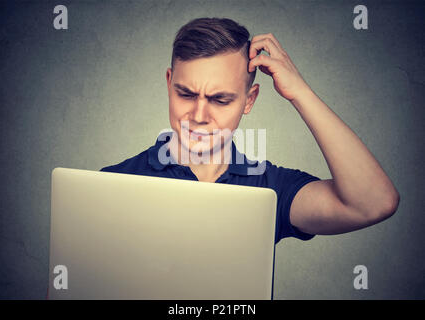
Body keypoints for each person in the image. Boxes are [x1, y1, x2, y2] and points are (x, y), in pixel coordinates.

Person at [101, 17, 400, 244]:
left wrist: (300, 92)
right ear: (169, 84)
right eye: (186, 94)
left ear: (249, 99)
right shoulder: (110, 187)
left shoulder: (270, 189)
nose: (199, 116)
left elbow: (373, 203)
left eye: (220, 99)